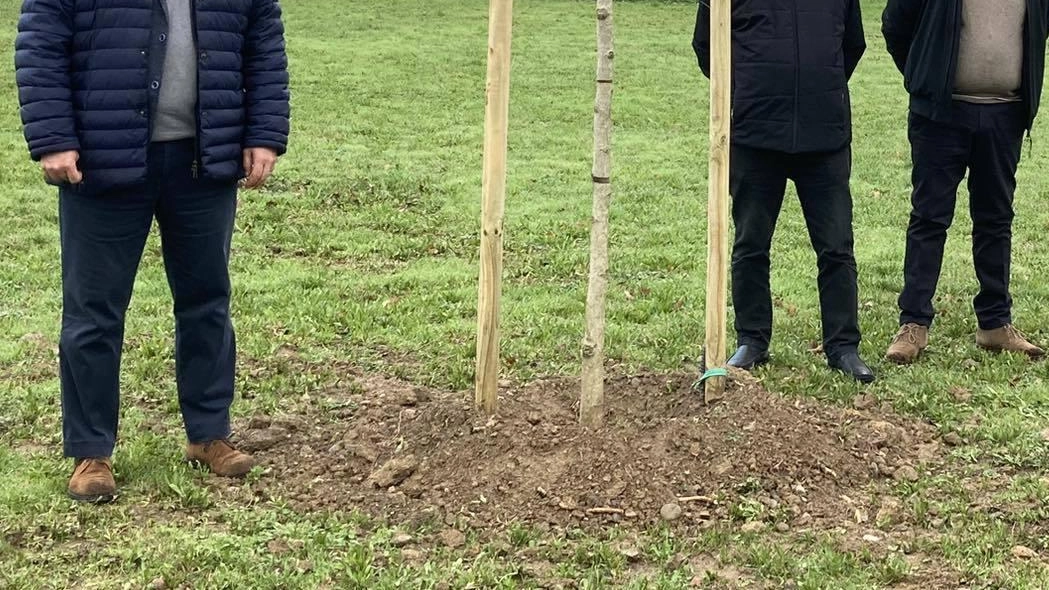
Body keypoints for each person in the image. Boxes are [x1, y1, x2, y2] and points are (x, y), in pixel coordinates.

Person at [15, 0, 290, 502]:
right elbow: (41, 44)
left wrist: (265, 134)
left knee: (207, 301)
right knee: (93, 310)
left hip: (204, 159)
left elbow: (263, 43)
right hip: (103, 158)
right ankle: (90, 452)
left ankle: (208, 434)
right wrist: (53, 137)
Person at [692, 0, 874, 383]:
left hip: (824, 134)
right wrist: (746, 90)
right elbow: (708, 48)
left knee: (836, 247)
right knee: (751, 244)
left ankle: (843, 346)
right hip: (755, 134)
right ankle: (752, 340)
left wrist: (819, 87)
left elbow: (852, 45)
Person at [882, 0, 1049, 365]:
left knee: (996, 219)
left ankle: (994, 323)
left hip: (1006, 114)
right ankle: (913, 323)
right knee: (929, 218)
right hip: (941, 114)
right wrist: (924, 77)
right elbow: (896, 25)